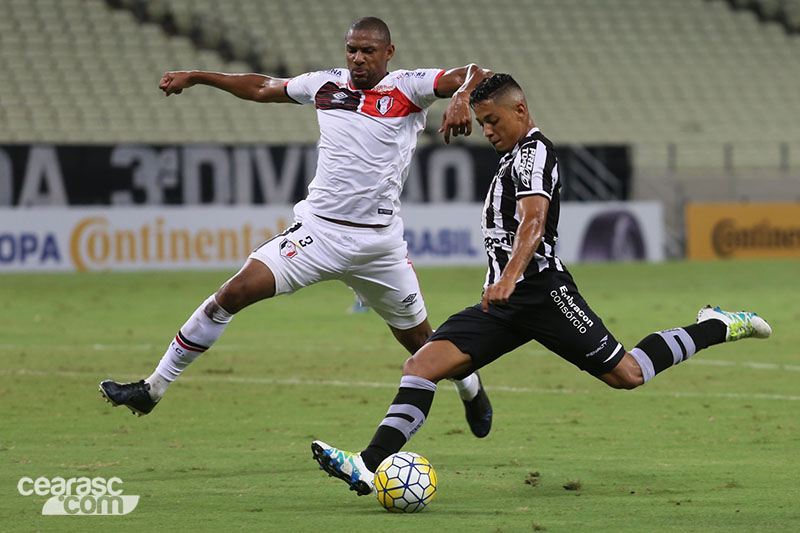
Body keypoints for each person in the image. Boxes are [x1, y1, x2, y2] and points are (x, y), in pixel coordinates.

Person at [310, 73, 772, 496]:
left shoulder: (535, 153)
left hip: (543, 294)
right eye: (482, 123)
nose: (487, 131)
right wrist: (459, 97)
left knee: (627, 374)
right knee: (422, 365)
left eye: (493, 121)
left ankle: (715, 325)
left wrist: (510, 277)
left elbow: (534, 220)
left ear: (520, 111)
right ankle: (368, 465)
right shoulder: (511, 157)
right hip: (503, 303)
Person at [99, 17, 495, 438]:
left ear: (388, 53)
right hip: (318, 235)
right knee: (230, 295)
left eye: (368, 51)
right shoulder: (325, 85)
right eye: (352, 50)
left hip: (379, 246)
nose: (358, 58)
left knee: (422, 342)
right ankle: (152, 389)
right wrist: (197, 76)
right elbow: (261, 87)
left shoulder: (409, 87)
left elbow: (480, 73)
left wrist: (461, 97)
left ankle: (470, 388)